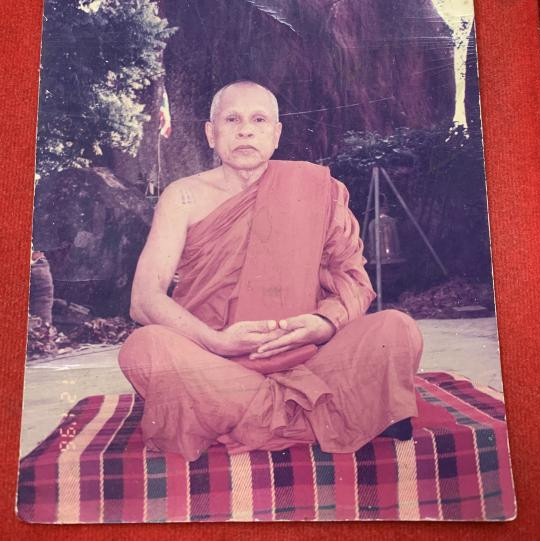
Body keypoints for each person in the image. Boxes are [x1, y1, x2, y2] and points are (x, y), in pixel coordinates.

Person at [118, 80, 423, 461]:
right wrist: (217, 343)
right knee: (144, 348)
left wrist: (323, 324)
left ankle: (236, 419)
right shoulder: (182, 197)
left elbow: (352, 281)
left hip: (307, 359)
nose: (245, 130)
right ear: (211, 133)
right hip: (213, 361)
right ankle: (324, 416)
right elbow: (144, 299)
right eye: (232, 119)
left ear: (276, 134)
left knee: (396, 329)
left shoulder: (316, 188)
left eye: (259, 120)